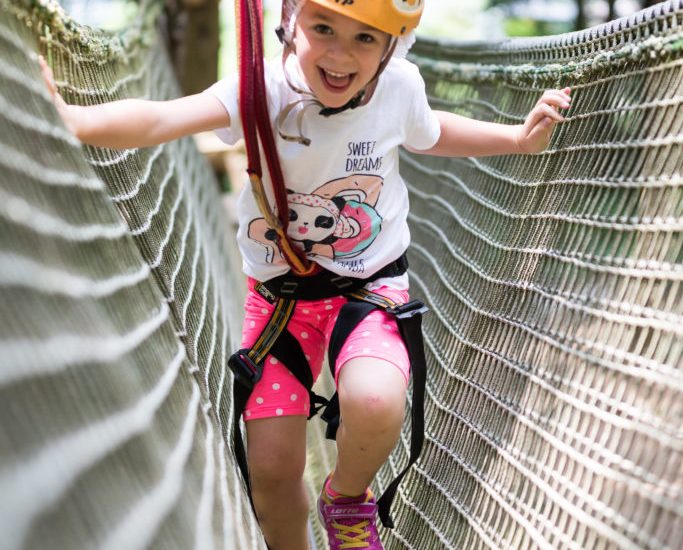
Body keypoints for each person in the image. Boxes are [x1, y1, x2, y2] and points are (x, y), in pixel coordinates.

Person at [40, 1, 571, 548]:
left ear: (394, 46)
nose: (341, 53)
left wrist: (515, 138)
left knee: (375, 400)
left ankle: (345, 500)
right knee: (270, 471)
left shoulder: (399, 87)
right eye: (324, 29)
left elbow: (430, 133)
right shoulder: (259, 90)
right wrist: (73, 119)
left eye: (366, 38)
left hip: (368, 288)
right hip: (280, 303)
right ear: (290, 24)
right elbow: (159, 119)